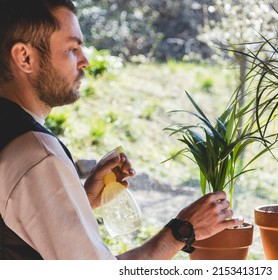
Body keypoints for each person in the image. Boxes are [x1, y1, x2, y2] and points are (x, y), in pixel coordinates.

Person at [0, 0, 243, 260]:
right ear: (25, 57)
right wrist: (181, 231)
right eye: (72, 49)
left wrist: (79, 202)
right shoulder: (37, 155)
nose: (85, 61)